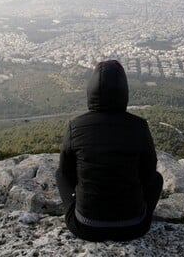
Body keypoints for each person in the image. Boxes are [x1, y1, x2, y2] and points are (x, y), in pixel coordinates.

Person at [56, 60, 163, 242]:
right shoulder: (139, 126)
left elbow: (67, 172)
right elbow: (149, 174)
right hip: (134, 226)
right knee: (158, 179)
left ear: (90, 93)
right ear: (124, 93)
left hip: (85, 227)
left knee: (60, 174)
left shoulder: (76, 126)